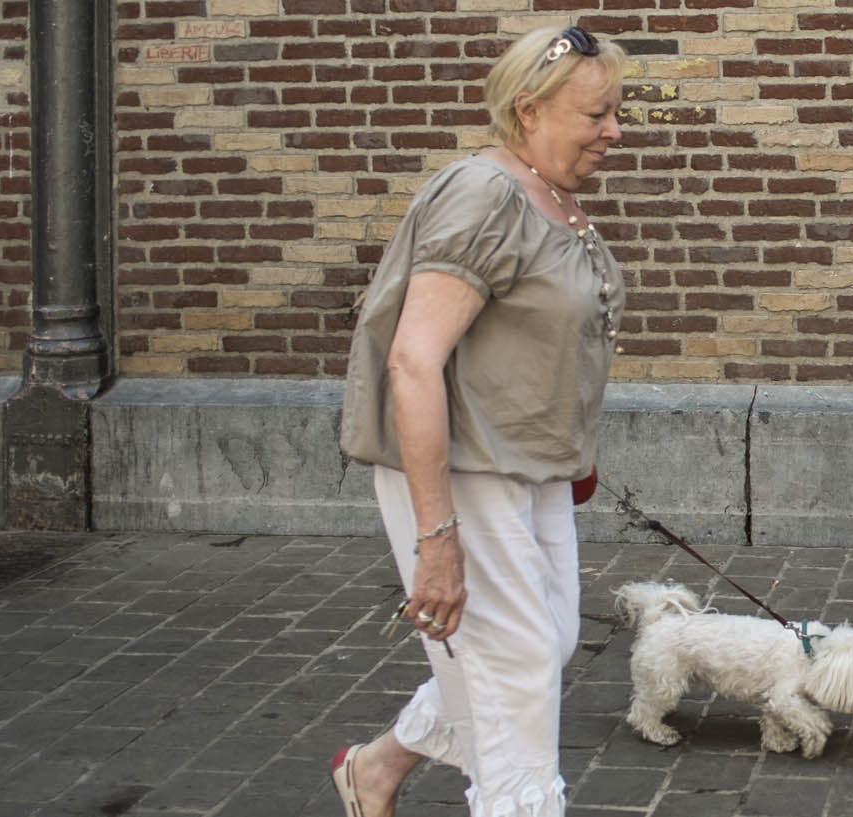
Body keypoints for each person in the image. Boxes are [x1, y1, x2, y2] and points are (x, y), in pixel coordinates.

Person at [331, 25, 629, 817]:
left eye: (617, 111)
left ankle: (376, 767)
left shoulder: (553, 195)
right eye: (597, 113)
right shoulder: (483, 194)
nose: (615, 131)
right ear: (529, 110)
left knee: (539, 649)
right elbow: (413, 359)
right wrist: (438, 539)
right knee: (517, 674)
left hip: (534, 466)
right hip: (465, 468)